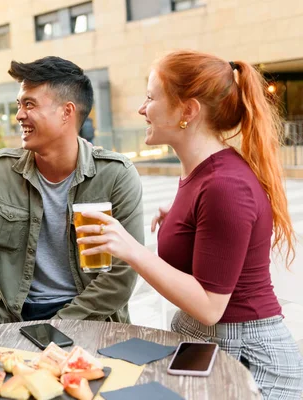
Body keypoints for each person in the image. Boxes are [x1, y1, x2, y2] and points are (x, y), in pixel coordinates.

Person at [74, 50, 303, 399]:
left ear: (187, 111)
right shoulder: (202, 174)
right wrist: (184, 219)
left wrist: (132, 249)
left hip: (249, 361)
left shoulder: (224, 184)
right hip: (210, 348)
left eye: (151, 97)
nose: (141, 108)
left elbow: (210, 307)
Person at [0, 56, 144, 328]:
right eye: (19, 104)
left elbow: (120, 280)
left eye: (29, 104)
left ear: (67, 112)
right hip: (11, 313)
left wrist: (55, 325)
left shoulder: (116, 175)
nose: (19, 115)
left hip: (91, 317)